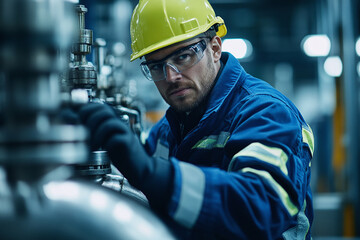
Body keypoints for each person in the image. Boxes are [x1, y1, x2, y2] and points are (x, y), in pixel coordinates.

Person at [77, 0, 314, 239]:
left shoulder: (266, 112)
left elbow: (263, 206)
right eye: (156, 66)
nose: (171, 77)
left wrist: (155, 176)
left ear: (215, 48)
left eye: (183, 57)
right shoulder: (166, 132)